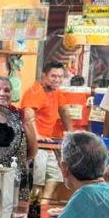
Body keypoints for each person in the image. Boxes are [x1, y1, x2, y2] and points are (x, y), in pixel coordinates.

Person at [21, 62, 72, 201]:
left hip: (48, 144)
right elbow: (28, 112)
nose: (57, 80)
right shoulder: (36, 91)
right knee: (38, 180)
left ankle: (43, 204)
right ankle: (34, 209)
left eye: (60, 77)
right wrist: (36, 135)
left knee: (55, 176)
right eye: (53, 76)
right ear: (44, 75)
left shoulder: (57, 92)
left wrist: (70, 132)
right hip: (35, 144)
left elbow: (65, 110)